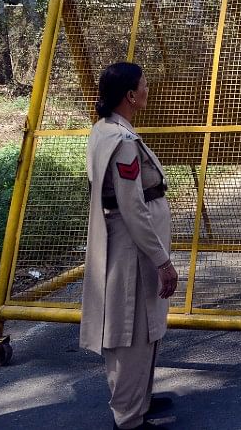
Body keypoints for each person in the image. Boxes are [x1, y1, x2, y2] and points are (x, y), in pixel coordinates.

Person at [82, 62, 177, 430]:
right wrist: (161, 260)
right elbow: (133, 206)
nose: (148, 90)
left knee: (145, 324)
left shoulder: (107, 130)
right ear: (130, 96)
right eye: (144, 85)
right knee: (132, 331)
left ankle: (141, 399)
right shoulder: (121, 142)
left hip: (129, 241)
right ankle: (129, 416)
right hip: (132, 246)